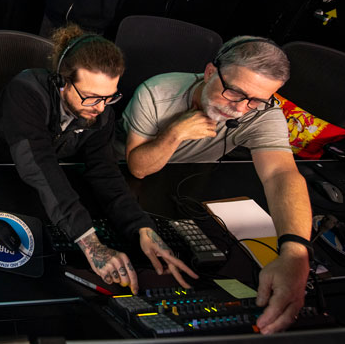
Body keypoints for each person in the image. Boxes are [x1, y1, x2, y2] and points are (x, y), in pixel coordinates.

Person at [0, 25, 197, 293]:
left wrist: (141, 226)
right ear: (62, 81)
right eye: (92, 97)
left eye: (109, 97)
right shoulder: (26, 91)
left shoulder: (101, 110)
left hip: (47, 165)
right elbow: (39, 165)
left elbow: (104, 170)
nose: (100, 107)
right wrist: (90, 242)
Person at [120, 36, 312, 334]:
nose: (240, 109)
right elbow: (139, 168)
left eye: (256, 100)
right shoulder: (158, 91)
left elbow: (280, 175)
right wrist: (173, 133)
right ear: (210, 72)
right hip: (129, 185)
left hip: (189, 191)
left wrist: (296, 253)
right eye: (234, 91)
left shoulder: (262, 112)